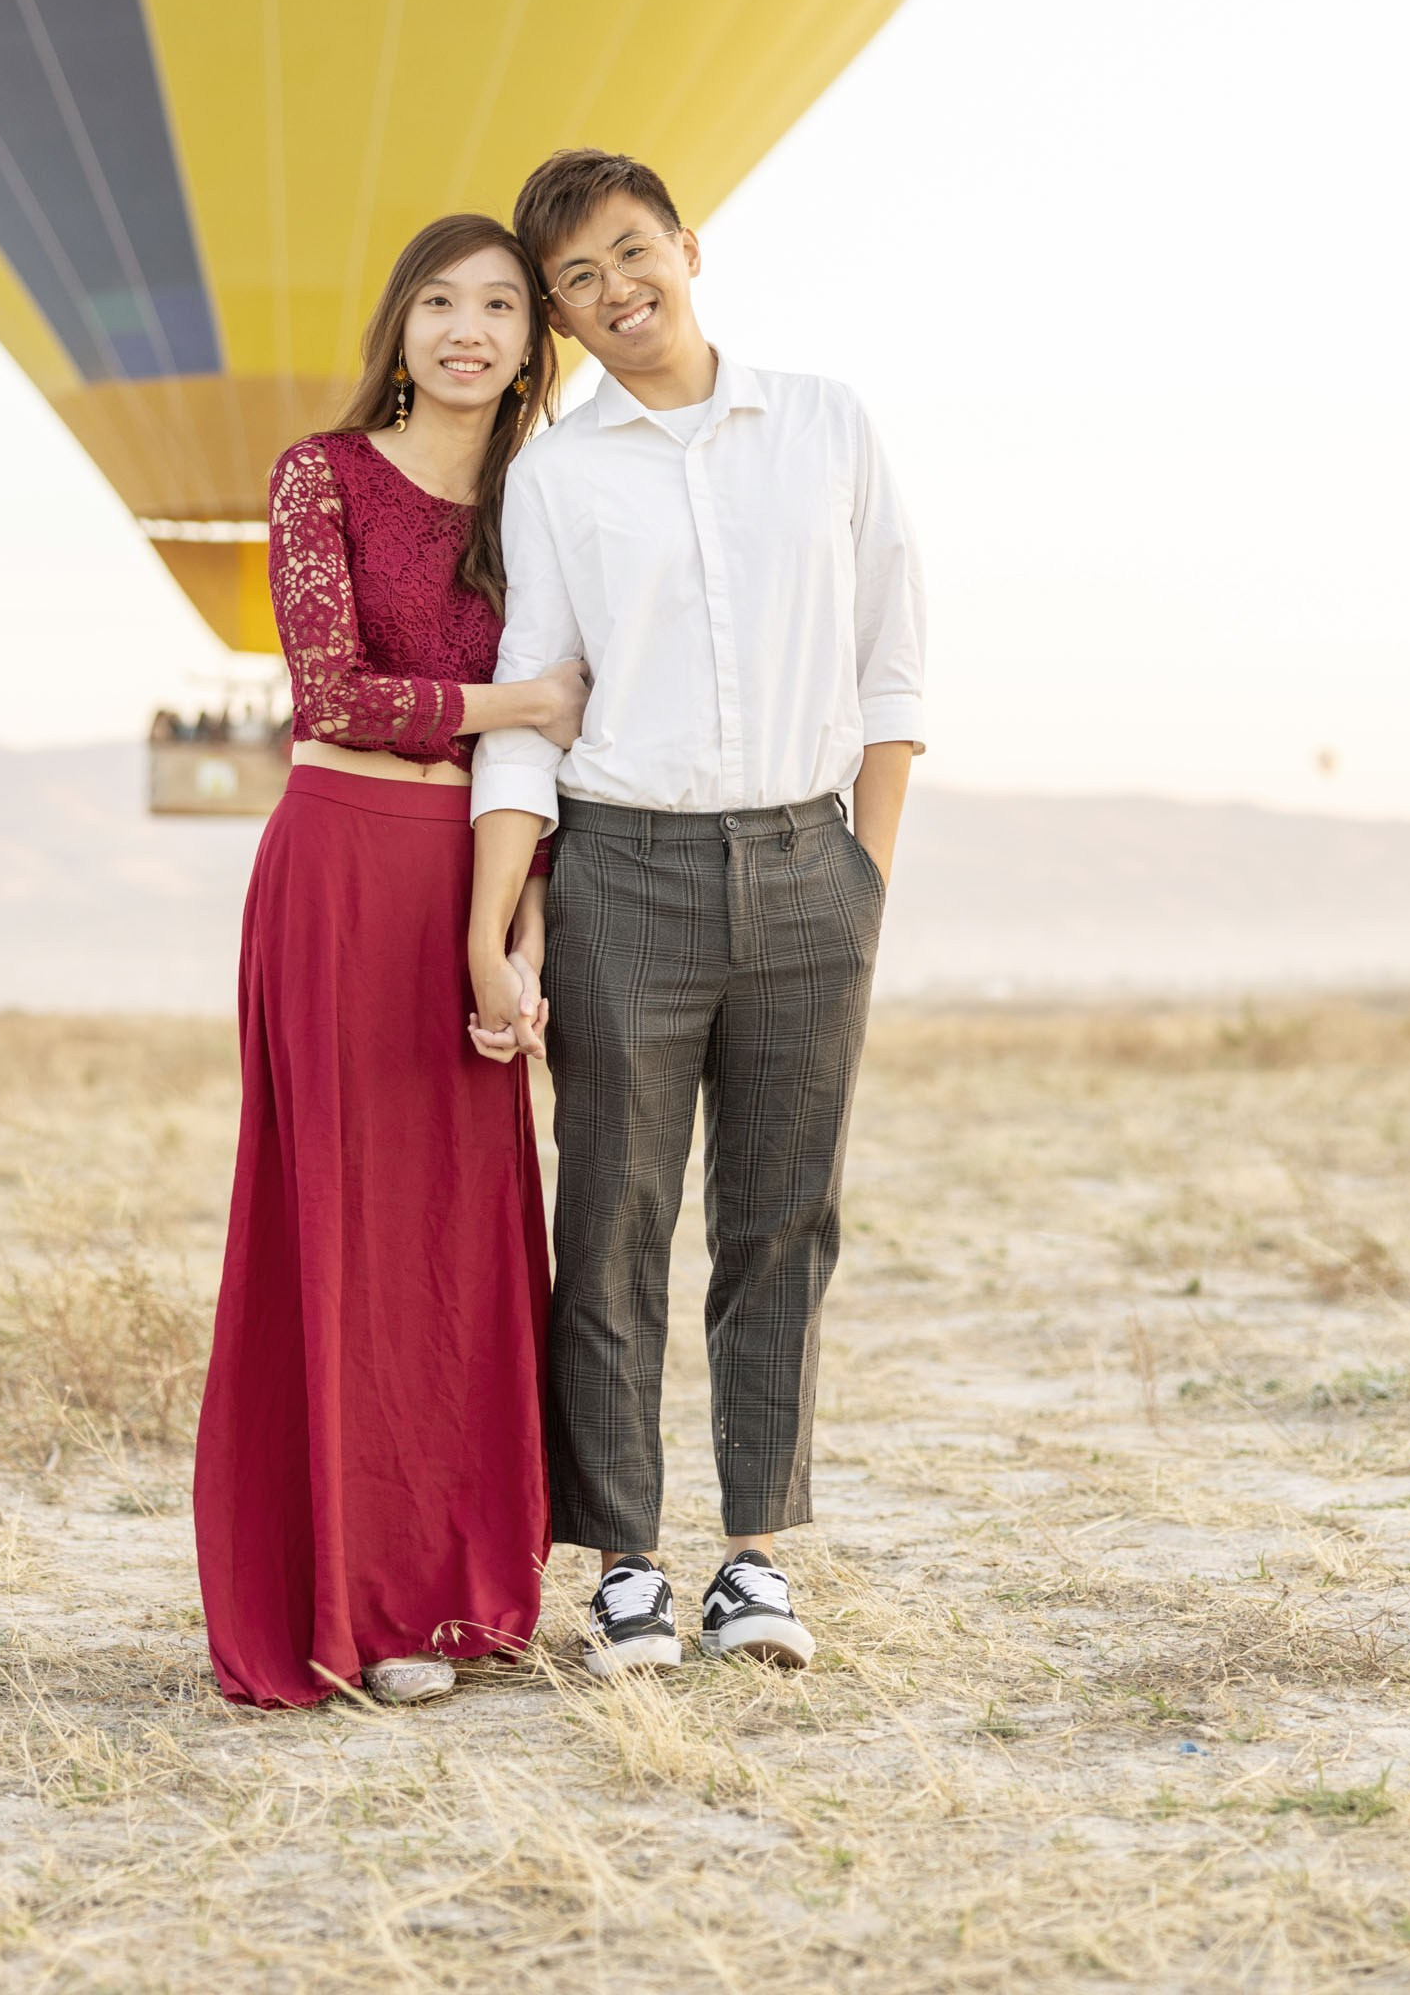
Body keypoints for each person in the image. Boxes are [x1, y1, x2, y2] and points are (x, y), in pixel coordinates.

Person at [467, 150, 924, 1680]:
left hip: (807, 869)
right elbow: (530, 703)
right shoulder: (555, 474)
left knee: (781, 1219)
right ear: (557, 312)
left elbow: (892, 667)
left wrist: (861, 874)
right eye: (574, 282)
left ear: (688, 246)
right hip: (625, 875)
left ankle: (753, 1560)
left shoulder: (822, 424)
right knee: (608, 1223)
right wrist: (509, 909)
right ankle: (623, 1569)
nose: (613, 294)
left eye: (629, 254)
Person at [193, 214, 587, 1711]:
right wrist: (518, 699)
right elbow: (335, 690)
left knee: (467, 1232)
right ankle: (343, 1608)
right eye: (439, 301)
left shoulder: (540, 500)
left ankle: (457, 1595)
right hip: (345, 865)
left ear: (529, 337)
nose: (468, 329)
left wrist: (520, 924)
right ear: (399, 323)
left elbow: (565, 742)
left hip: (483, 874)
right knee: (346, 1222)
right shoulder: (324, 474)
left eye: (498, 304)